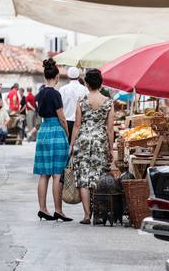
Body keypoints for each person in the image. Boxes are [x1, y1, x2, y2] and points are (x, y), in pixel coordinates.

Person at [70, 69, 114, 225]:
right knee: (98, 177)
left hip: (83, 141)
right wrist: (111, 148)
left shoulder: (82, 101)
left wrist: (71, 145)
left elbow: (76, 125)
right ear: (101, 83)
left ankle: (87, 215)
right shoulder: (108, 102)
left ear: (86, 84)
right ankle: (98, 214)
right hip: (100, 142)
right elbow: (110, 128)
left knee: (83, 178)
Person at [33, 58, 72, 222]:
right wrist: (68, 134)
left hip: (43, 132)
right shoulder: (56, 93)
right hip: (56, 131)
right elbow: (62, 118)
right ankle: (58, 210)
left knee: (44, 174)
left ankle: (42, 209)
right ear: (56, 77)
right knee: (57, 173)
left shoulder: (39, 93)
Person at [59, 67, 88, 143]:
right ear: (78, 77)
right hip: (81, 123)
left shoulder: (62, 89)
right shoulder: (85, 89)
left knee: (67, 147)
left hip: (66, 123)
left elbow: (60, 107)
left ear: (68, 77)